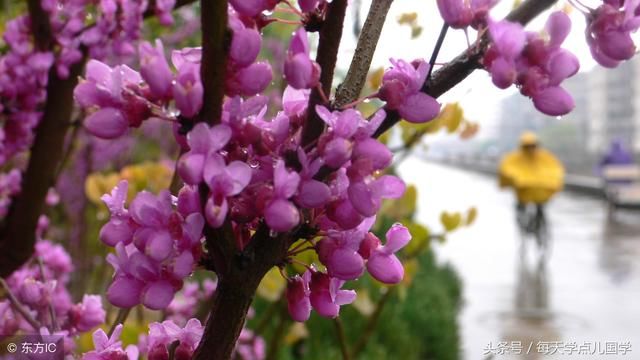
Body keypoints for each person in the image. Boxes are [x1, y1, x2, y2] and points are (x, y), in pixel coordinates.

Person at [498, 132, 565, 235]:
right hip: (523, 191)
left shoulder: (545, 157)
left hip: (540, 192)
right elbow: (507, 169)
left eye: (532, 146)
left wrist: (552, 182)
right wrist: (516, 179)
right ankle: (522, 224)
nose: (530, 149)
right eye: (527, 146)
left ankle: (539, 226)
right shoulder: (515, 158)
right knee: (521, 207)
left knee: (540, 207)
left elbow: (555, 169)